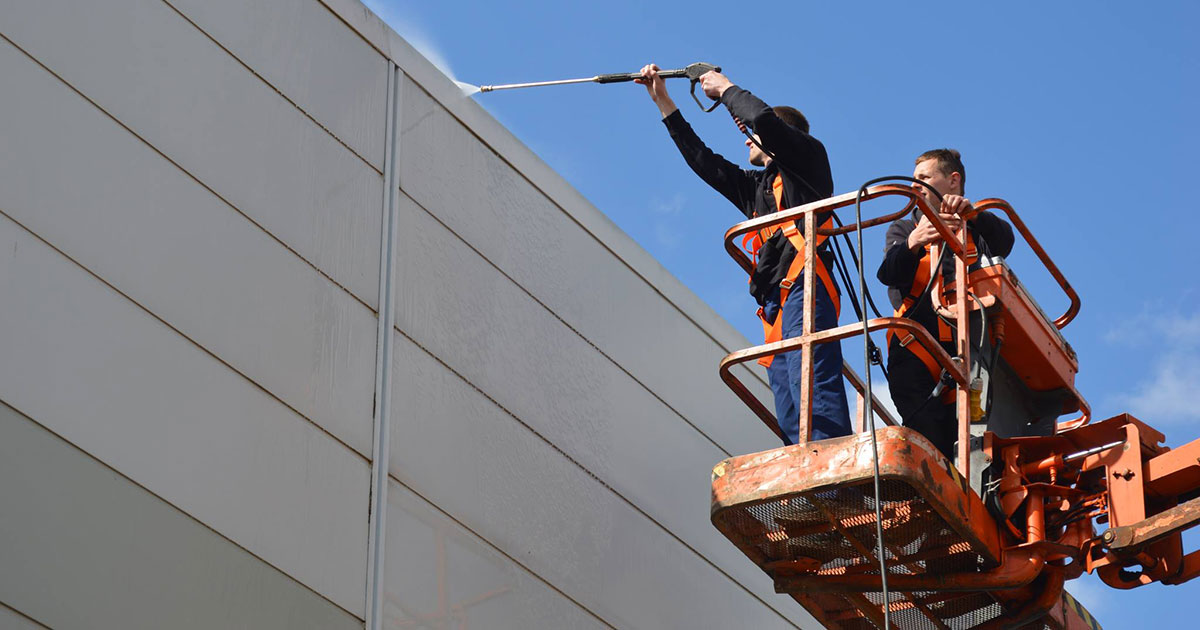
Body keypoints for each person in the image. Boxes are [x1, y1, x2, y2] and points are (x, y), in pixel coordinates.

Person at [637, 63, 851, 444]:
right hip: (776, 303)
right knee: (788, 399)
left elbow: (765, 121)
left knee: (812, 382)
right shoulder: (757, 189)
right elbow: (705, 163)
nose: (747, 140)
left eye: (752, 136)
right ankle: (806, 479)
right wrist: (664, 103)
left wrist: (727, 89)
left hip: (806, 285)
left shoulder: (809, 163)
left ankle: (834, 481)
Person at [876, 149, 1014, 459]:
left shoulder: (975, 227)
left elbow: (1005, 241)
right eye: (914, 179)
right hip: (917, 346)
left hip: (968, 349)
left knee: (971, 443)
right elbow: (889, 274)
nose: (916, 185)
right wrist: (914, 242)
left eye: (924, 178)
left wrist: (974, 215)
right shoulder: (903, 228)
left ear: (953, 181)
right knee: (928, 438)